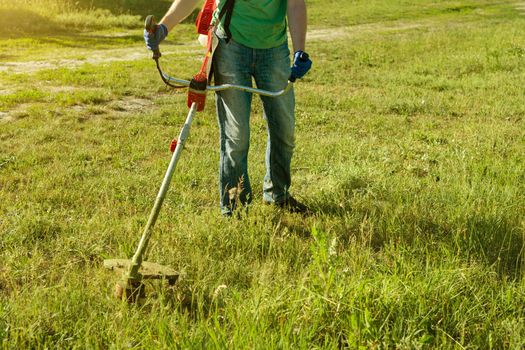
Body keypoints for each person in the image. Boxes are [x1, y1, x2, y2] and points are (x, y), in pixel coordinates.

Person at [144, 0, 312, 216]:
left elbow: (296, 3)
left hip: (273, 50)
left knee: (284, 131)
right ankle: (236, 207)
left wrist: (300, 50)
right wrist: (164, 27)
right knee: (236, 135)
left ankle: (277, 195)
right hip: (231, 47)